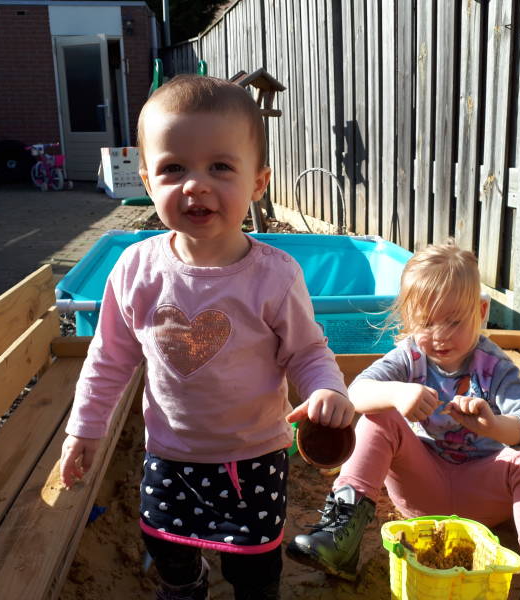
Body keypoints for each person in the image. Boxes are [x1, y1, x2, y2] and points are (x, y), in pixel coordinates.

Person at [59, 74, 354, 600]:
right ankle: (186, 585)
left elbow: (307, 351)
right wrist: (85, 428)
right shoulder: (136, 270)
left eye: (220, 166)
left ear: (258, 183)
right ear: (147, 181)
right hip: (169, 451)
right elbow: (108, 359)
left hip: (252, 456)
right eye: (174, 168)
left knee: (253, 565)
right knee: (167, 546)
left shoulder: (275, 276)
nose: (195, 184)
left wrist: (326, 389)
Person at [287, 241, 520, 600]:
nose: (440, 335)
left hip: (483, 495)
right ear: (409, 319)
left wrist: (495, 426)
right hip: (422, 490)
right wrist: (397, 393)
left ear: (481, 311)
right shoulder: (409, 358)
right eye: (427, 322)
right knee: (377, 418)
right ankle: (339, 535)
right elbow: (356, 393)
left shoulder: (494, 367)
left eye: (454, 321)